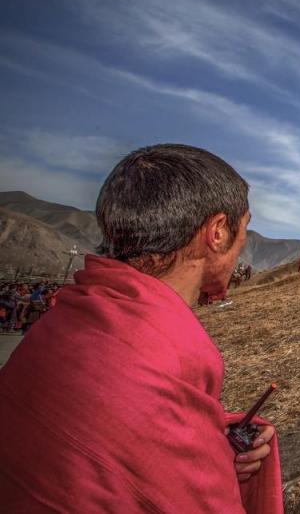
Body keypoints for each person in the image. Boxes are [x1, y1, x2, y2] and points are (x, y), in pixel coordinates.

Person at [0, 144, 282, 513]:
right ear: (216, 233)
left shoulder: (64, 321)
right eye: (244, 228)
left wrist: (211, 442)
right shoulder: (156, 358)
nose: (244, 243)